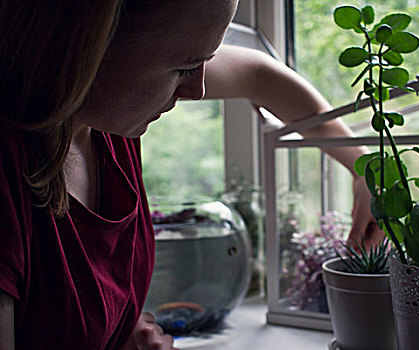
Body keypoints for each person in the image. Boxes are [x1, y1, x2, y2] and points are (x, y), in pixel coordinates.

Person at [0, 1, 381, 349]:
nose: (198, 89)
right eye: (183, 68)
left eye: (205, 61)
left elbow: (259, 75)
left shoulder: (101, 120)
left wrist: (365, 170)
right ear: (88, 48)